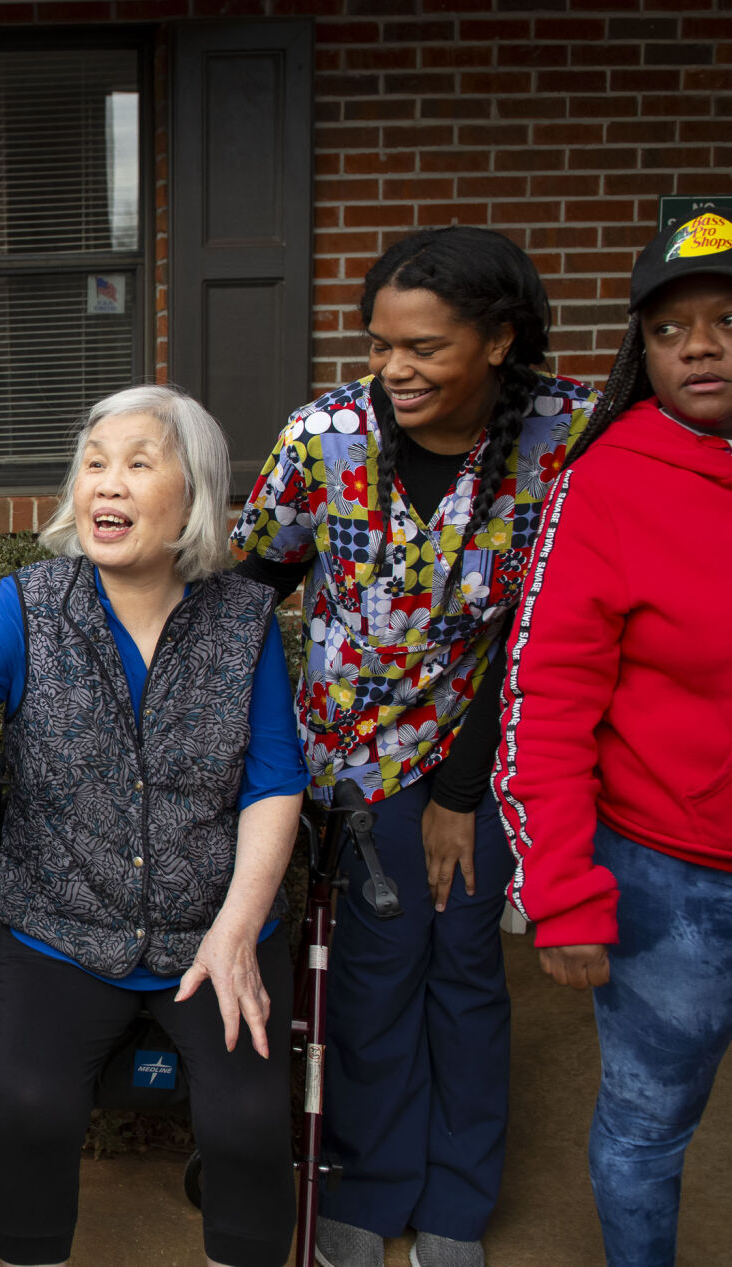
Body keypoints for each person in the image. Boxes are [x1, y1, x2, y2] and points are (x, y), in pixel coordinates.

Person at [0, 385, 308, 1267]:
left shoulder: (243, 621)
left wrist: (234, 928)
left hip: (215, 925)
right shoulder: (30, 603)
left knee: (252, 1121)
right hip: (62, 925)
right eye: (93, 464)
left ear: (191, 494)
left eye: (138, 464)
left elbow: (273, 779)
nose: (106, 484)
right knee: (31, 1106)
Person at [230, 226, 598, 1267]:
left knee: (466, 967)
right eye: (380, 343)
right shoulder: (324, 436)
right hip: (347, 754)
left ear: (497, 338)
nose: (394, 369)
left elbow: (544, 624)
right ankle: (367, 1181)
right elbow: (256, 583)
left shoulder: (566, 434)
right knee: (372, 968)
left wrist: (463, 790)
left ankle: (454, 1204)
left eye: (424, 347)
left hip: (483, 747)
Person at [492, 212, 732, 1267]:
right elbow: (543, 700)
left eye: (725, 320)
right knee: (647, 1126)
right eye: (670, 328)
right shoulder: (606, 483)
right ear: (642, 349)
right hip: (667, 879)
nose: (700, 345)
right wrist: (563, 891)